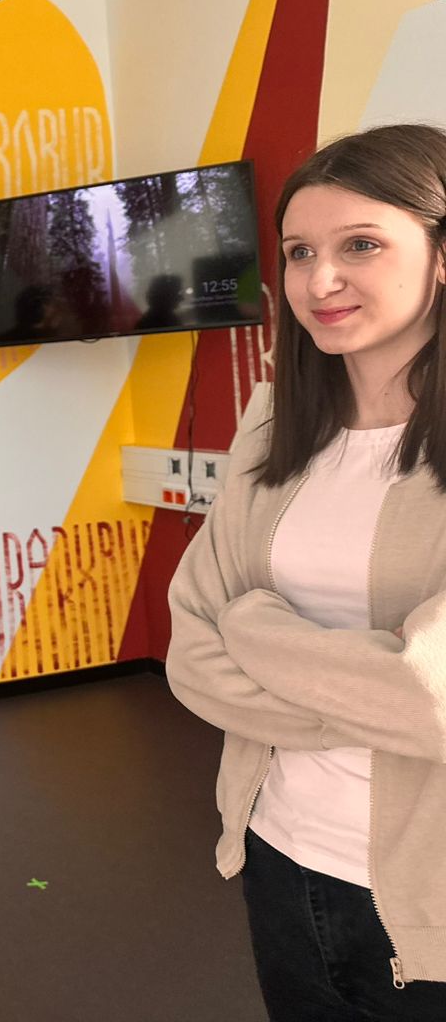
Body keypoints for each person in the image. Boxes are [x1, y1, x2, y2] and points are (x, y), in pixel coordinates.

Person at [168, 124, 446, 1018]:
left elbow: (432, 698)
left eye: (360, 245)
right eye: (298, 253)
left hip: (428, 894)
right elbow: (190, 647)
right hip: (281, 857)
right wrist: (367, 689)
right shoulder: (271, 425)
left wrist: (252, 628)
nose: (319, 280)